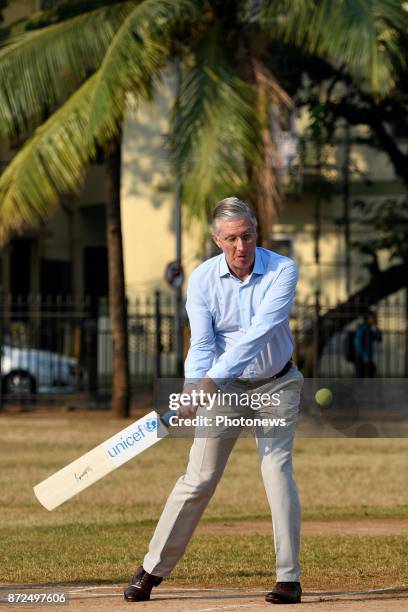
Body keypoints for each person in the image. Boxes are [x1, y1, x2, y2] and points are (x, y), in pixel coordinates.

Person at [124, 197, 304, 605]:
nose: (241, 247)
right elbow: (202, 342)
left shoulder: (282, 270)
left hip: (277, 385)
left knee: (276, 469)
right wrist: (193, 389)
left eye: (247, 236)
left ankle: (288, 578)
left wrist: (211, 379)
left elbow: (260, 331)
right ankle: (152, 569)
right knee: (199, 477)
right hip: (226, 389)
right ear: (216, 239)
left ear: (256, 232)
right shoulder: (203, 279)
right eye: (231, 239)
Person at [354, 309, 382, 377]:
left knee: (370, 374)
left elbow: (379, 339)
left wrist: (375, 327)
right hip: (361, 357)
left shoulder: (370, 328)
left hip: (367, 357)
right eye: (374, 317)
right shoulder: (362, 328)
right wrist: (364, 355)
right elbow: (357, 342)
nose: (375, 319)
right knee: (361, 377)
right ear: (368, 318)